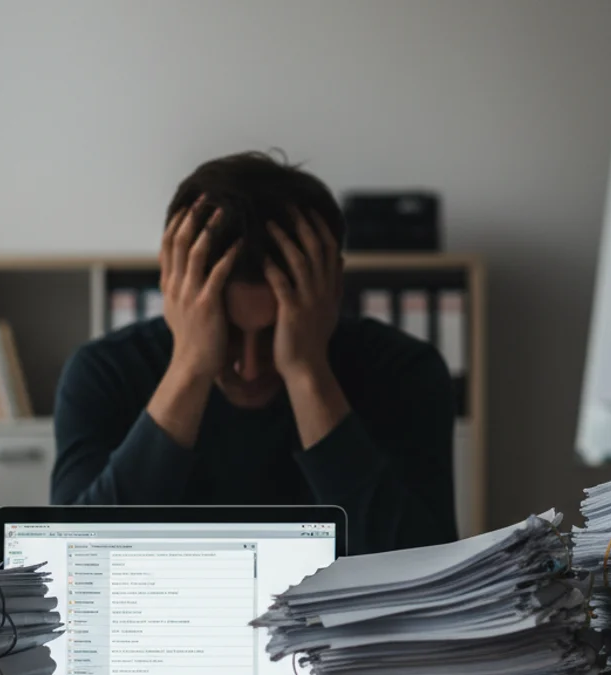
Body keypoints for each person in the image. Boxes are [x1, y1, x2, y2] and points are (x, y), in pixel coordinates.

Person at [50, 151, 458, 553]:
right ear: (174, 288)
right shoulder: (104, 372)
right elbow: (77, 561)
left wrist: (305, 371)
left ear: (333, 291)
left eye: (273, 333)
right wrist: (191, 367)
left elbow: (424, 567)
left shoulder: (405, 372)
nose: (248, 369)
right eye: (224, 332)